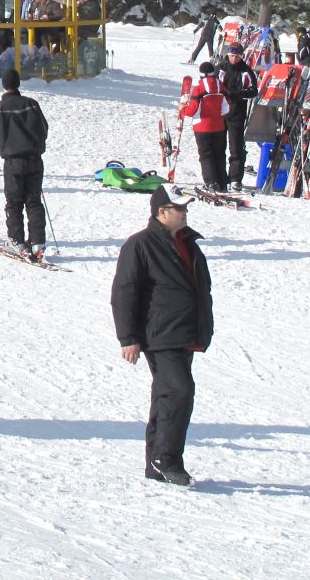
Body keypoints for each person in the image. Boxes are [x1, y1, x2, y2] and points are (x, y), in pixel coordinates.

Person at [111, 184, 214, 488]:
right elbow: (124, 291)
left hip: (185, 332)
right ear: (161, 212)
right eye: (179, 207)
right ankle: (167, 459)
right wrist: (127, 337)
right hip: (159, 334)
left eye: (185, 207)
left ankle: (154, 464)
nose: (185, 212)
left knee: (166, 396)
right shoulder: (140, 244)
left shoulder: (189, 245)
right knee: (179, 392)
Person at [0, 68, 50, 258]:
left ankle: (16, 241)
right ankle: (38, 243)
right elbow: (44, 129)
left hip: (13, 162)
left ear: (4, 86)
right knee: (33, 200)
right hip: (35, 159)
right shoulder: (32, 104)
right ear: (19, 84)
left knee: (13, 202)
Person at [179, 62, 229, 192]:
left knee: (206, 155)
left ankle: (210, 182)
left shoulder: (199, 88)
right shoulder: (221, 86)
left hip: (202, 127)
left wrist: (183, 109)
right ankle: (222, 183)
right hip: (219, 126)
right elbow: (226, 108)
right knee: (219, 154)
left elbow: (191, 111)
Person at [216, 44, 258, 189]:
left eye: (237, 56)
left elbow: (253, 91)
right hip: (220, 112)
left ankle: (235, 178)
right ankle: (219, 177)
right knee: (219, 146)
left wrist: (237, 94)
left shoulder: (246, 71)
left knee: (236, 146)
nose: (234, 58)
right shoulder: (221, 67)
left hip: (237, 113)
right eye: (232, 55)